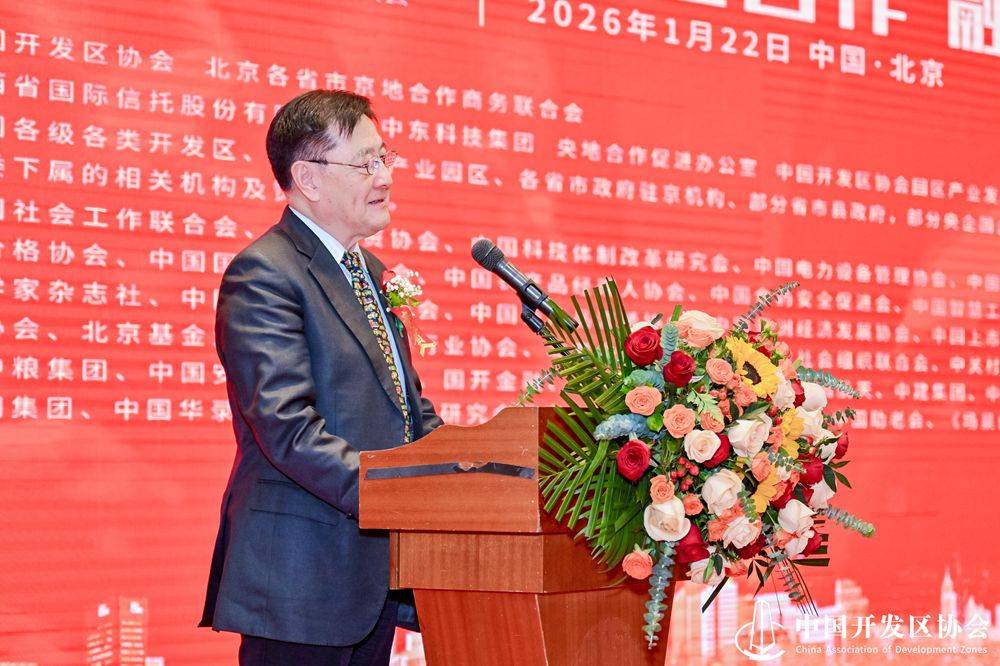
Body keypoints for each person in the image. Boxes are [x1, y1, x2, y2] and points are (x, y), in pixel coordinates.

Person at [199, 89, 442, 665]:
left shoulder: (370, 272)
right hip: (299, 580)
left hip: (371, 579)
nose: (385, 176)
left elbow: (408, 410)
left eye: (386, 158)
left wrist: (471, 468)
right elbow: (286, 427)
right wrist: (399, 495)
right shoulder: (265, 273)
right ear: (307, 177)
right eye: (366, 163)